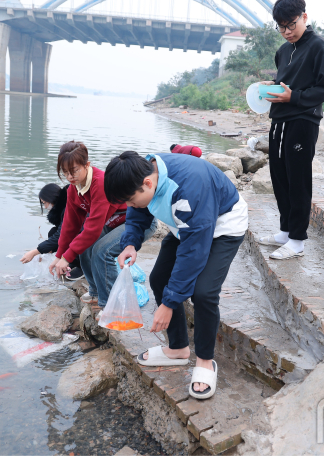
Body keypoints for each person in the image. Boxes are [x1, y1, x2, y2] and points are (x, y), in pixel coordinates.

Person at [104, 151, 248, 400]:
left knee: (203, 292)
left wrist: (169, 303)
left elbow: (194, 253)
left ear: (148, 184)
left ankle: (204, 361)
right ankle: (178, 348)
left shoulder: (189, 188)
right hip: (186, 226)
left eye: (130, 199)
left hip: (223, 226)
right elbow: (140, 211)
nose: (129, 206)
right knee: (159, 279)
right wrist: (130, 243)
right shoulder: (146, 173)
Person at [256, 0, 324, 260]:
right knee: (279, 176)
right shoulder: (282, 51)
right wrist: (267, 92)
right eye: (281, 27)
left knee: (298, 179)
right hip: (279, 120)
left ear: (304, 16)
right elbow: (284, 81)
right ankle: (285, 230)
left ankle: (298, 240)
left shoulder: (318, 47)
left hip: (303, 120)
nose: (287, 32)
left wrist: (295, 97)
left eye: (291, 25)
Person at [48, 141, 156, 309]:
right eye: (65, 172)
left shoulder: (100, 183)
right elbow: (70, 224)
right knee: (83, 246)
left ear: (87, 165)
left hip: (137, 222)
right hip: (111, 222)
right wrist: (59, 255)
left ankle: (112, 305)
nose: (70, 176)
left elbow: (92, 229)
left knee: (101, 251)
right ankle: (96, 293)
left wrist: (67, 258)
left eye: (74, 170)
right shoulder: (73, 189)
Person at [20, 183, 83, 281]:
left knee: (59, 235)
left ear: (52, 198)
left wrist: (35, 252)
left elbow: (62, 235)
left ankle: (82, 266)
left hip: (85, 237)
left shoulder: (68, 208)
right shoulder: (63, 208)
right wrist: (45, 250)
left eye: (45, 203)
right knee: (52, 232)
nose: (45, 207)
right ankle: (71, 261)